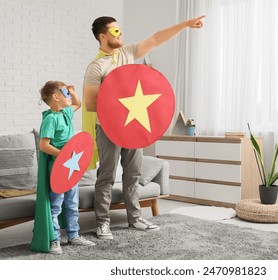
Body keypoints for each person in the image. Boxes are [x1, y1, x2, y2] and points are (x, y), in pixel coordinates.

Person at [83, 15, 205, 239]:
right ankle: (102, 223)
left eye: (120, 30)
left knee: (133, 174)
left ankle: (135, 218)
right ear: (103, 36)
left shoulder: (128, 53)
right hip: (109, 128)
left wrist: (186, 25)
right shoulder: (96, 67)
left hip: (134, 126)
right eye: (115, 31)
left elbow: (157, 38)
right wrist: (117, 96)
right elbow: (91, 104)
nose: (121, 34)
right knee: (107, 175)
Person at [31, 81, 95, 254]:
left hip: (71, 167)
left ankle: (73, 235)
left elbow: (77, 104)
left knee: (72, 203)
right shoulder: (51, 119)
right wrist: (63, 154)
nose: (69, 96)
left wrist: (73, 92)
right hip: (59, 168)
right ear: (56, 97)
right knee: (56, 205)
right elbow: (44, 145)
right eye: (66, 93)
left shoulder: (65, 113)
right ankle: (54, 239)